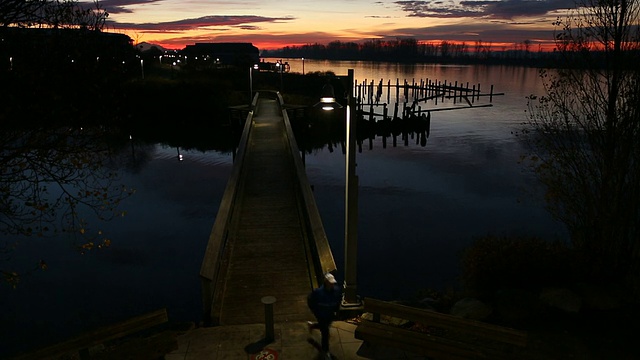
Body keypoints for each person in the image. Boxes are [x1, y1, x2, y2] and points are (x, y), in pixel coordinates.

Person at [307, 272, 342, 359]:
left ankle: (313, 325)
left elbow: (338, 301)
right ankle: (325, 351)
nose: (332, 285)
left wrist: (336, 311)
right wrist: (315, 311)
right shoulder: (318, 292)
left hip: (330, 314)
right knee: (325, 333)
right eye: (330, 283)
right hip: (321, 315)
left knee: (325, 326)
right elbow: (310, 301)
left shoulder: (337, 291)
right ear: (326, 282)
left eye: (333, 283)